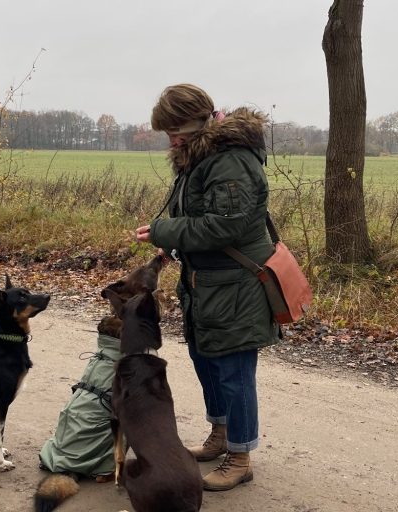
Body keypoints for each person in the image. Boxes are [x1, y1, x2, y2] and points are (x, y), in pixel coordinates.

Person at [135, 83, 280, 491]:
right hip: (206, 282)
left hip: (235, 284)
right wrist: (171, 246)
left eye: (175, 129)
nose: (172, 138)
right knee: (208, 364)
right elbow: (199, 216)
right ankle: (220, 436)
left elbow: (226, 225)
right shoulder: (199, 155)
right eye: (167, 132)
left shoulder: (230, 159)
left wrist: (165, 229)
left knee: (233, 372)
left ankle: (240, 456)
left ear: (199, 120)